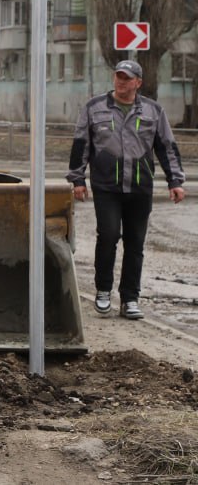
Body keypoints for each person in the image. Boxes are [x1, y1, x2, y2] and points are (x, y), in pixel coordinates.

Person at [67, 59, 185, 321]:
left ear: (138, 83)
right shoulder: (94, 108)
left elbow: (166, 147)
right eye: (118, 77)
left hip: (140, 188)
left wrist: (175, 181)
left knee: (135, 243)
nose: (121, 82)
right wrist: (78, 179)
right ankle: (103, 291)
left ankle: (130, 298)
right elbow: (81, 144)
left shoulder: (153, 111)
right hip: (106, 185)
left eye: (127, 78)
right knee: (108, 235)